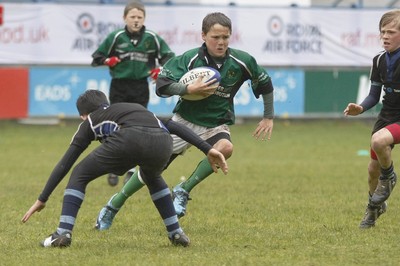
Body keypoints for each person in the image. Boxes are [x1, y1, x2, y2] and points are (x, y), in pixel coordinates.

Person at [94, 12, 274, 230]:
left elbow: (264, 83)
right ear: (203, 36)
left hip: (215, 124)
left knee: (225, 148)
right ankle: (114, 205)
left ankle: (184, 189)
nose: (221, 42)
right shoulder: (190, 59)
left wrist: (268, 116)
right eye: (215, 37)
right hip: (182, 123)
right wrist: (187, 89)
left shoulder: (241, 61)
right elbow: (161, 85)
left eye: (225, 37)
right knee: (149, 171)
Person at [21, 90, 228, 248]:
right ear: (106, 104)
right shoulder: (132, 108)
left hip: (129, 139)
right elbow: (172, 126)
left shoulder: (90, 121)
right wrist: (207, 148)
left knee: (78, 174)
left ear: (83, 115)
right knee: (152, 175)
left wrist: (42, 198)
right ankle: (176, 233)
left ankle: (62, 233)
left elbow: (65, 163)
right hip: (163, 142)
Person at [91, 1, 175, 186]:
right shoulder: (116, 36)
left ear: (144, 19)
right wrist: (108, 60)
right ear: (125, 18)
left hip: (140, 87)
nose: (136, 20)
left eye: (139, 17)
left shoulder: (152, 38)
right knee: (116, 126)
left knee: (138, 127)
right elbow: (95, 58)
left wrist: (160, 70)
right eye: (132, 17)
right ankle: (113, 168)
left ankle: (129, 169)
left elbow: (170, 58)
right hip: (119, 86)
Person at [343, 9, 400, 229]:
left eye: (391, 32)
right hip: (387, 116)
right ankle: (373, 209)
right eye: (382, 32)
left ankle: (390, 178)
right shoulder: (378, 61)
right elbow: (374, 96)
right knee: (371, 171)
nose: (385, 36)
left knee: (378, 141)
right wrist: (361, 107)